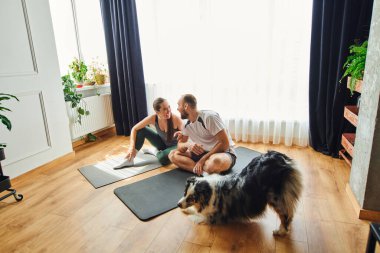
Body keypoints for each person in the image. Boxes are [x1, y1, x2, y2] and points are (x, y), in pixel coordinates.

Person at [169, 94, 236, 175]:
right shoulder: (186, 125)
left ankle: (201, 168)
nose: (177, 108)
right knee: (172, 155)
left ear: (186, 106)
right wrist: (188, 145)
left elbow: (225, 144)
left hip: (222, 153)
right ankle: (203, 173)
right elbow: (180, 147)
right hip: (201, 154)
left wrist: (202, 160)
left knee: (215, 162)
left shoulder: (209, 117)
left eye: (179, 105)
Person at [125, 97, 183, 165]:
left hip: (175, 146)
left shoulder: (176, 119)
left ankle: (154, 151)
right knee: (142, 130)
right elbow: (134, 128)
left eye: (169, 107)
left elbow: (187, 138)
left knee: (162, 159)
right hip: (162, 143)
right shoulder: (153, 118)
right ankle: (130, 159)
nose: (168, 110)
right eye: (164, 109)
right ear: (157, 112)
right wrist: (131, 147)